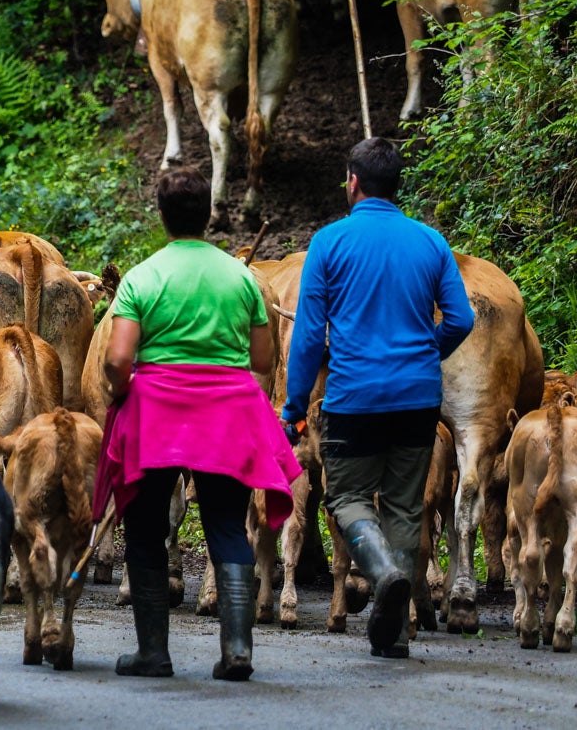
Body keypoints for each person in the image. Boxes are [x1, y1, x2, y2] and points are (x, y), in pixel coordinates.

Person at [96, 165, 301, 682]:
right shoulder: (241, 277)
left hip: (155, 413)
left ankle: (153, 653)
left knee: (143, 529)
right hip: (227, 412)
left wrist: (122, 394)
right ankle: (237, 650)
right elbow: (262, 359)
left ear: (161, 216)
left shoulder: (143, 276)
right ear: (208, 215)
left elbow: (119, 361)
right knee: (227, 524)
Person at [282, 137, 473, 660]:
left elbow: (306, 337)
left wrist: (294, 408)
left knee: (346, 500)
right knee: (407, 508)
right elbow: (461, 319)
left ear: (353, 182)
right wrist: (424, 353)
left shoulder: (328, 243)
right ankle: (397, 635)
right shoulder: (431, 242)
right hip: (417, 402)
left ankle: (385, 573)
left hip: (352, 400)